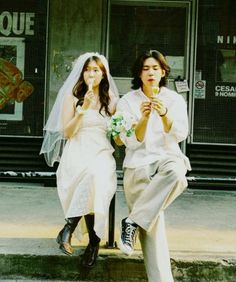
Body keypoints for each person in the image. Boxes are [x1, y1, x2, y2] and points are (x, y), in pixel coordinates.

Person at [115, 50, 191, 281]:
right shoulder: (127, 101)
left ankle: (132, 221)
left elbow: (180, 134)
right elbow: (129, 141)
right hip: (138, 163)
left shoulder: (174, 99)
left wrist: (164, 113)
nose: (150, 73)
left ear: (163, 72)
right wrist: (144, 118)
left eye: (155, 68)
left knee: (178, 174)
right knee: (153, 224)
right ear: (139, 73)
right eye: (146, 68)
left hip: (167, 158)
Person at [40, 52, 119, 267]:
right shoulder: (72, 98)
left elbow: (118, 132)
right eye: (87, 70)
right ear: (81, 73)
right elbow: (68, 133)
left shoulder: (111, 99)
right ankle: (93, 244)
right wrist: (82, 111)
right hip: (77, 150)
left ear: (103, 74)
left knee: (94, 176)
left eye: (96, 70)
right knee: (88, 179)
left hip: (101, 151)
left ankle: (69, 228)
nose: (91, 74)